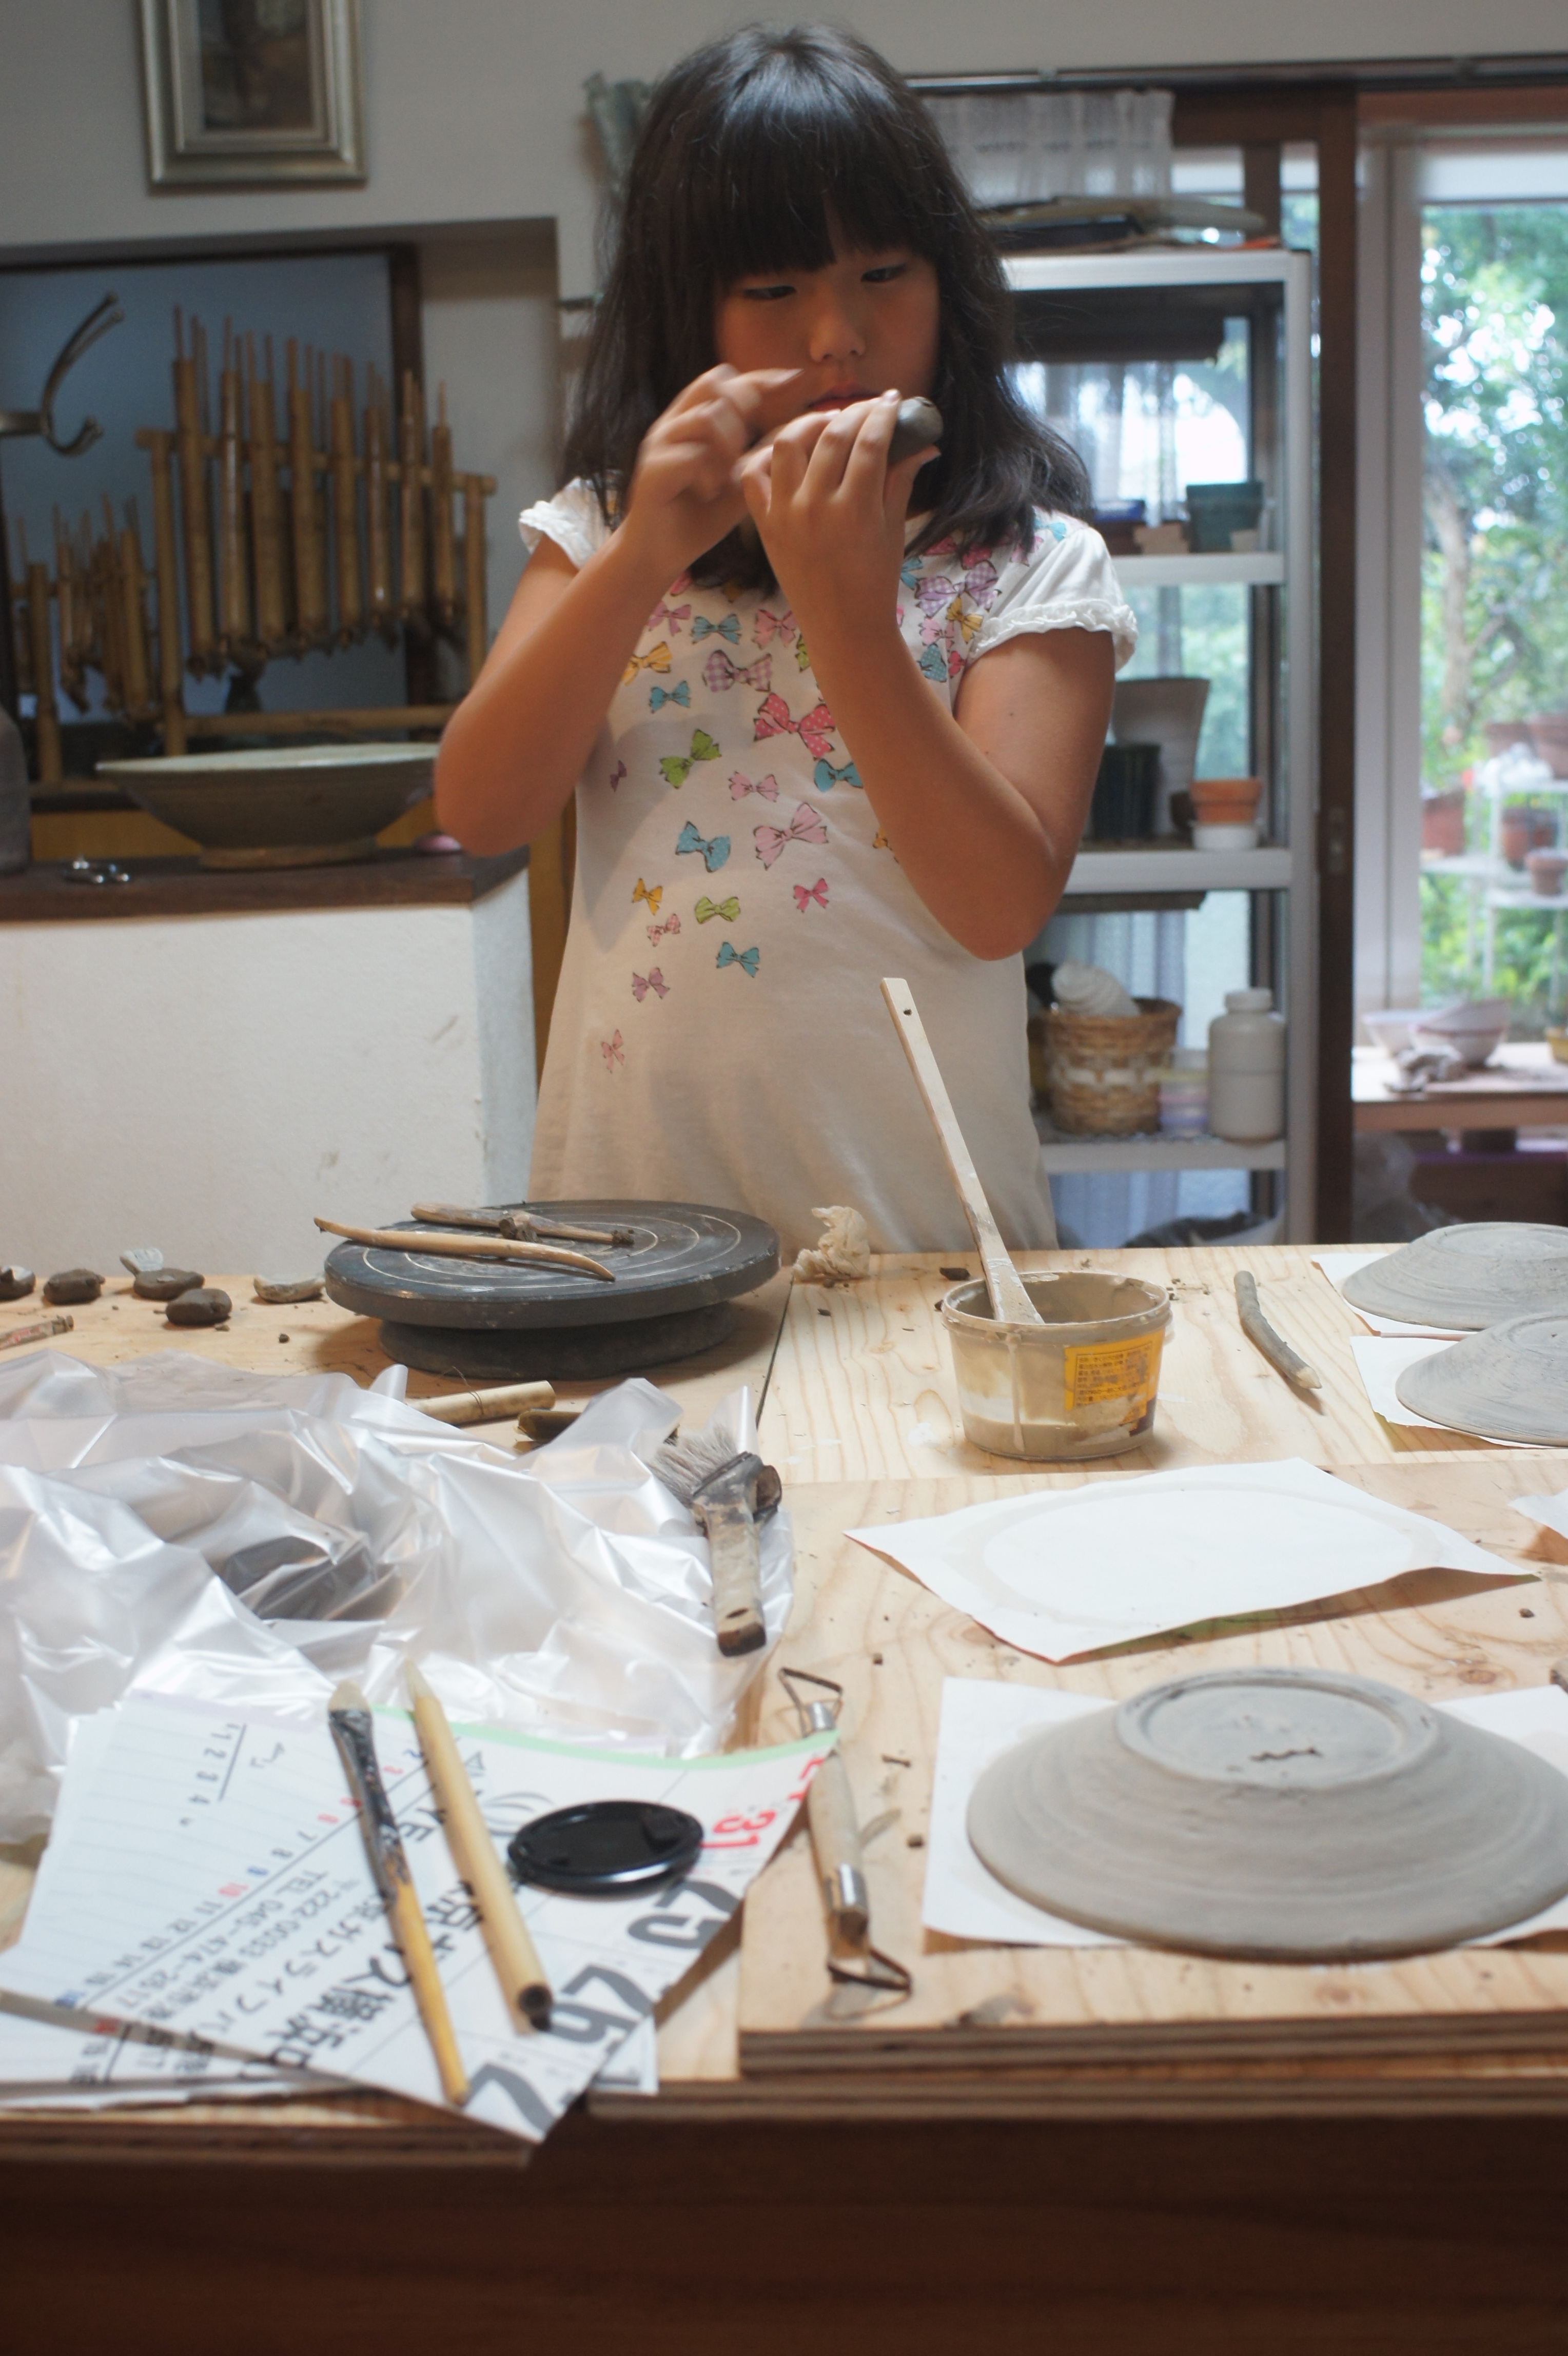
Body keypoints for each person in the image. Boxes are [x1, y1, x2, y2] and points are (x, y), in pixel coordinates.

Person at [436, 24, 1135, 1253]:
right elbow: (482, 811)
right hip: (632, 1245)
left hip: (929, 1244)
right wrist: (645, 550)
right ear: (686, 310)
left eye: (884, 273)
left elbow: (995, 909)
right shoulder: (599, 535)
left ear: (951, 286)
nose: (835, 336)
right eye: (773, 290)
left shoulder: (1029, 563)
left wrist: (848, 616)